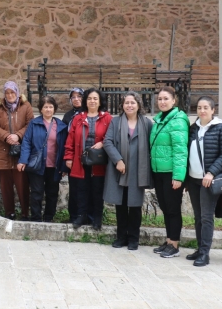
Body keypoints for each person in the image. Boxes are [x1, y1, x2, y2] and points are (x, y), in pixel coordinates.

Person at [102, 92, 153, 250]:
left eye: (132, 102)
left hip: (138, 171)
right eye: (126, 103)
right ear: (122, 105)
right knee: (121, 205)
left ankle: (134, 239)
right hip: (120, 170)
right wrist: (118, 160)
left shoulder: (147, 123)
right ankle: (121, 237)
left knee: (135, 206)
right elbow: (107, 142)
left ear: (138, 105)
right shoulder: (115, 122)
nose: (129, 105)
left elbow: (152, 144)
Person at [185, 96, 222, 266]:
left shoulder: (221, 128)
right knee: (198, 216)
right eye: (199, 108)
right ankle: (199, 249)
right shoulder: (193, 128)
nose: (202, 111)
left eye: (206, 108)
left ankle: (205, 253)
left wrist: (211, 173)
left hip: (208, 180)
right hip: (193, 180)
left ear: (213, 110)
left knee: (206, 217)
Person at [149, 86, 190, 258]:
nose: (162, 102)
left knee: (173, 208)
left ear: (174, 100)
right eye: (160, 99)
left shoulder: (178, 120)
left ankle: (174, 244)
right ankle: (168, 241)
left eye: (166, 99)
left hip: (171, 172)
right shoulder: (160, 119)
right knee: (166, 207)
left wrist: (178, 176)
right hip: (159, 171)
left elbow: (180, 150)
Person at [64, 88, 112, 230]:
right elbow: (70, 140)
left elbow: (112, 136)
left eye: (95, 98)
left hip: (99, 161)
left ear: (100, 101)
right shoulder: (78, 118)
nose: (92, 101)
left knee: (97, 190)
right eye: (90, 98)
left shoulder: (107, 118)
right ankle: (81, 216)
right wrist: (68, 157)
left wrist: (103, 143)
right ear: (85, 101)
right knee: (81, 189)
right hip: (81, 160)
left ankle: (96, 218)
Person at [17, 95, 68, 222]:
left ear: (54, 109)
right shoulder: (34, 123)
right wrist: (23, 160)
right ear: (41, 109)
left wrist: (63, 166)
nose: (48, 109)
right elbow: (26, 142)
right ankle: (36, 218)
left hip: (54, 166)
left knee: (52, 193)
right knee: (36, 192)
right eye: (45, 107)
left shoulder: (61, 126)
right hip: (37, 165)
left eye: (50, 107)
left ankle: (49, 218)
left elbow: (64, 147)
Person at [0, 81, 33, 220]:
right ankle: (9, 213)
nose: (10, 95)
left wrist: (18, 135)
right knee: (6, 186)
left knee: (22, 185)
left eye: (12, 92)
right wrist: (7, 136)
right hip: (2, 151)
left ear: (17, 93)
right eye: (7, 93)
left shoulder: (26, 106)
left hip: (20, 151)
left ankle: (25, 213)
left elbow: (30, 124)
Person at [62, 88, 83, 222]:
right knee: (74, 188)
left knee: (86, 188)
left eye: (79, 96)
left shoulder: (89, 113)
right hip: (72, 157)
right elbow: (65, 139)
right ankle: (73, 216)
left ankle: (86, 216)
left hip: (87, 157)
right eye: (73, 97)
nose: (76, 99)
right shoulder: (68, 116)